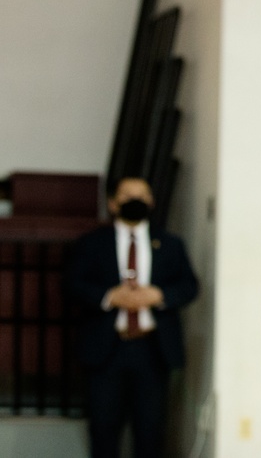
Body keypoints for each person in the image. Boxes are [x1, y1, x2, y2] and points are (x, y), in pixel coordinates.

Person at [66, 177, 199, 458]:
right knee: (103, 429)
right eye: (128, 195)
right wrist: (109, 296)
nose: (135, 200)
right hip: (106, 349)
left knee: (150, 431)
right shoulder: (91, 243)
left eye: (142, 195)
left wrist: (159, 295)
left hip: (152, 350)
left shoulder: (169, 243)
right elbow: (72, 284)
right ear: (113, 203)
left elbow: (189, 285)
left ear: (151, 202)